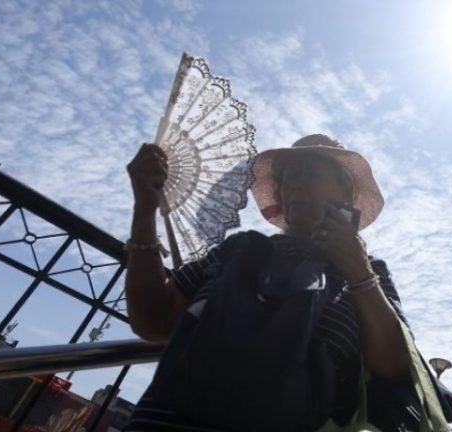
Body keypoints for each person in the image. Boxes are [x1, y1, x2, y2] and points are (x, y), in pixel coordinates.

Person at [122, 134, 421, 431]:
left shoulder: (371, 273)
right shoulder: (237, 250)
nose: (297, 183)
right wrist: (145, 209)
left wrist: (358, 271)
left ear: (346, 190)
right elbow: (152, 320)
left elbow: (394, 366)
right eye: (290, 175)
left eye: (313, 173)